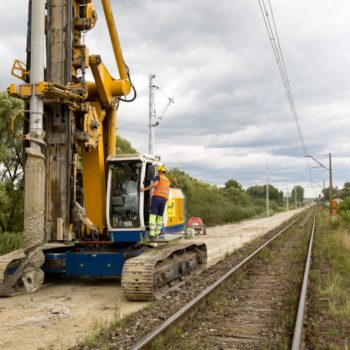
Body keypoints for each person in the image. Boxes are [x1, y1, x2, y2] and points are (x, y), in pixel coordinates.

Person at [140, 164, 170, 239]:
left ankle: (152, 233)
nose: (157, 172)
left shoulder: (158, 177)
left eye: (158, 171)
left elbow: (155, 184)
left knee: (153, 215)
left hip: (157, 197)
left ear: (160, 171)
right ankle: (157, 233)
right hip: (164, 199)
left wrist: (144, 189)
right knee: (160, 216)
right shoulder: (167, 180)